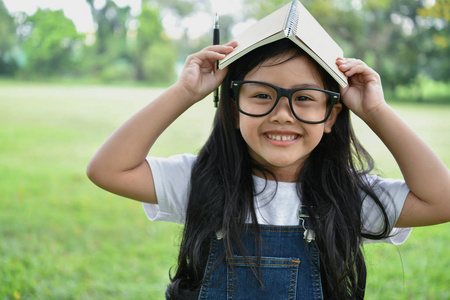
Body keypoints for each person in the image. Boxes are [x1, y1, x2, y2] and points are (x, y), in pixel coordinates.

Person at [86, 38, 450, 299]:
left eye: (304, 98)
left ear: (330, 115)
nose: (281, 113)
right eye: (261, 94)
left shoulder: (348, 197)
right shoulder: (201, 180)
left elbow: (441, 200)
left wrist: (375, 111)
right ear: (233, 107)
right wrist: (186, 92)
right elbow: (108, 169)